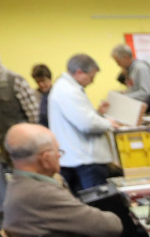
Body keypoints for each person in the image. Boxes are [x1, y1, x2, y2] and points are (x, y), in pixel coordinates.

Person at [2, 123, 150, 237]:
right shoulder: (39, 193)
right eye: (58, 151)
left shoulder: (19, 187)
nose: (60, 157)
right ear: (45, 158)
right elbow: (109, 227)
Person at [47, 53, 119, 194]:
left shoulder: (65, 88)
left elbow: (81, 118)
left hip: (76, 157)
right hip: (85, 160)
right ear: (79, 72)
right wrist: (109, 123)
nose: (92, 81)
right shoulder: (69, 91)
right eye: (91, 77)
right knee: (97, 203)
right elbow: (87, 124)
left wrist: (98, 113)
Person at [31, 62, 53, 127]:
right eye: (38, 82)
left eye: (43, 80)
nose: (41, 84)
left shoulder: (58, 94)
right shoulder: (33, 95)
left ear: (50, 79)